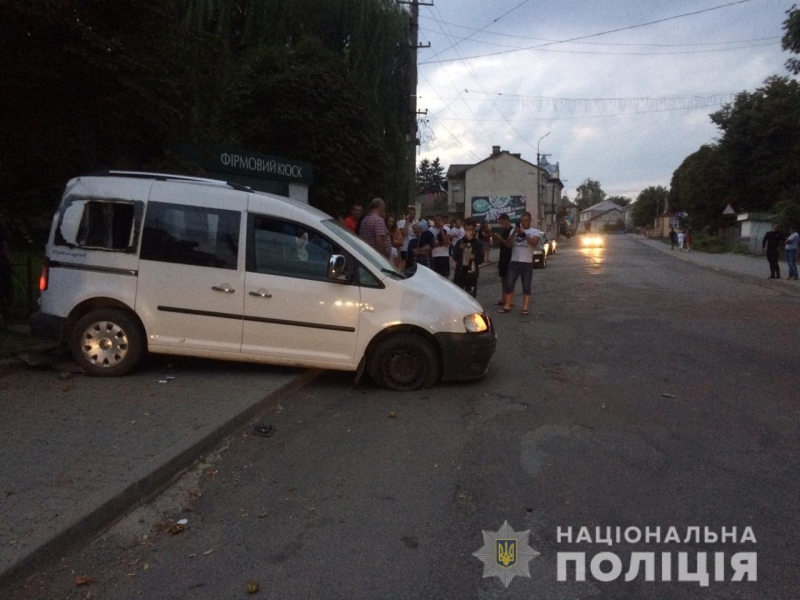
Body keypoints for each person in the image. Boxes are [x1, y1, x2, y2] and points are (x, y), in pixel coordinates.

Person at [498, 212, 541, 316]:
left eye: (525, 220)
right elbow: (508, 244)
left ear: (530, 221)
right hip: (514, 261)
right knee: (509, 284)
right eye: (522, 221)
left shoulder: (535, 231)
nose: (523, 223)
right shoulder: (514, 230)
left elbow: (534, 243)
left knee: (526, 285)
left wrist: (524, 235)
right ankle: (507, 305)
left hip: (527, 262)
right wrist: (514, 233)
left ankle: (525, 307)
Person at [452, 217, 484, 297]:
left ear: (474, 230)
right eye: (466, 229)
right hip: (460, 273)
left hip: (471, 274)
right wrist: (459, 249)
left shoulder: (478, 244)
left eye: (471, 230)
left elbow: (481, 260)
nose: (469, 232)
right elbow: (455, 257)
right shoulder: (460, 242)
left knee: (471, 298)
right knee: (457, 296)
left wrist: (473, 257)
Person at [491, 213, 514, 305]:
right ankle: (504, 298)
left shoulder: (512, 231)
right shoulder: (505, 230)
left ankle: (509, 300)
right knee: (503, 279)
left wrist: (500, 238)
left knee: (509, 280)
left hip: (509, 257)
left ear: (506, 220)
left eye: (501, 222)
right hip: (503, 256)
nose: (500, 224)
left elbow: (509, 244)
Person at [0, 224, 13, 325]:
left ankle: (6, 315)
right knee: (6, 291)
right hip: (2, 266)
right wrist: (9, 263)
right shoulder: (2, 235)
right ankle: (7, 314)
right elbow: (6, 250)